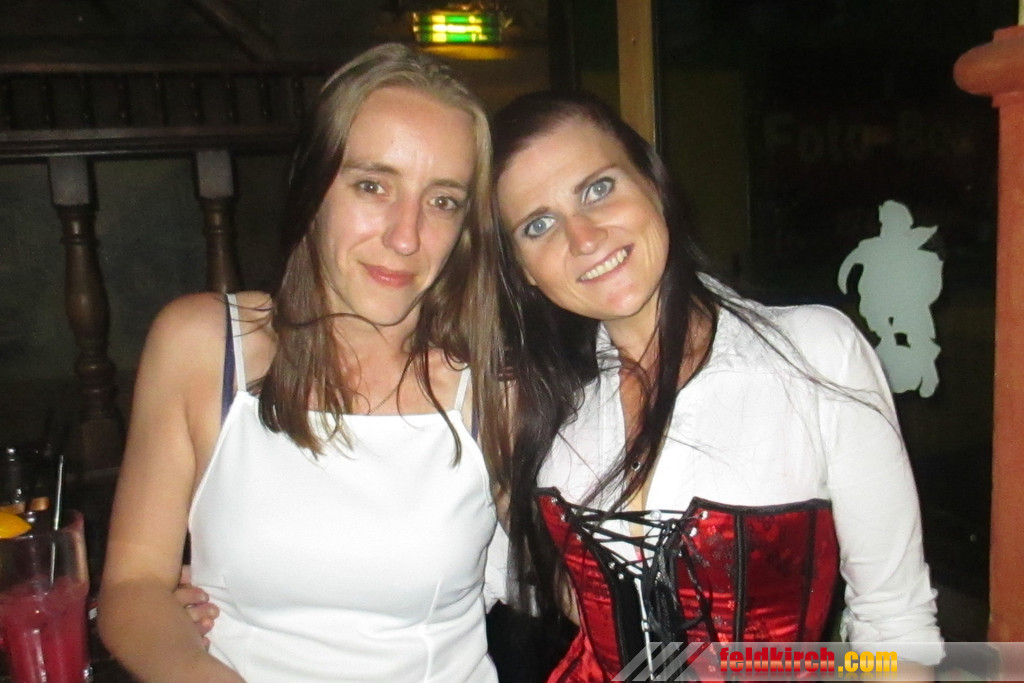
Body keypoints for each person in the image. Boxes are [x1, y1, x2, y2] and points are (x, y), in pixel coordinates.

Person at [488, 91, 944, 681]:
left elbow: (895, 624)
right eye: (539, 224)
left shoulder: (813, 354)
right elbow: (531, 582)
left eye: (598, 189)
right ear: (523, 269)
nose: (583, 238)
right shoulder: (545, 402)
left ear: (653, 183)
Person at [97, 42, 510, 682]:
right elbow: (132, 586)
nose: (405, 236)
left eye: (442, 201)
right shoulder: (202, 346)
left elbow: (584, 570)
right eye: (372, 186)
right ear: (313, 185)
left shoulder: (496, 382)